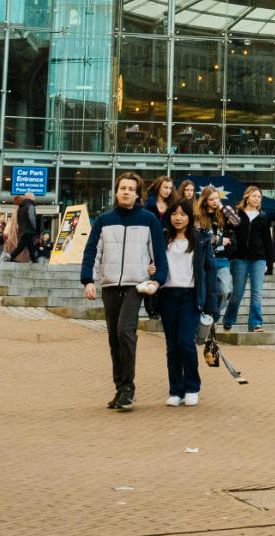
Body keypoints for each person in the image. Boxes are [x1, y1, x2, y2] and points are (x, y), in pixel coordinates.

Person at [80, 173, 169, 411]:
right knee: (113, 338)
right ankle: (120, 388)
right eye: (122, 188)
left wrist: (158, 279)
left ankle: (128, 388)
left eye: (131, 188)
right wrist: (88, 280)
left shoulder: (149, 219)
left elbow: (159, 253)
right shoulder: (104, 220)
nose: (126, 192)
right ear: (116, 192)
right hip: (109, 285)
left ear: (138, 193)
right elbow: (92, 252)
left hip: (135, 285)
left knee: (124, 331)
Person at [154, 205, 209, 408]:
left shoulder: (200, 239)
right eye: (174, 214)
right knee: (172, 345)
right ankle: (175, 390)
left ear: (189, 217)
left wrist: (210, 302)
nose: (178, 218)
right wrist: (151, 268)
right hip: (167, 294)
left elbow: (208, 270)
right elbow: (153, 262)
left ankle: (192, 387)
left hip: (190, 295)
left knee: (186, 342)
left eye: (183, 214)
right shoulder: (162, 238)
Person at [221, 187, 273, 332]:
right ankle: (228, 320)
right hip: (239, 258)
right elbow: (227, 230)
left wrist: (269, 262)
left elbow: (268, 242)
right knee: (237, 293)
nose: (257, 199)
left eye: (259, 197)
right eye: (254, 196)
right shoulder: (237, 214)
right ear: (247, 197)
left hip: (258, 259)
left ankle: (255, 323)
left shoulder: (263, 216)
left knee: (257, 293)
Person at [195, 187, 233, 322]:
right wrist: (220, 240)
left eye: (217, 198)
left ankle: (212, 318)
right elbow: (201, 239)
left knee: (225, 291)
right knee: (208, 292)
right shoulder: (198, 217)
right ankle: (208, 318)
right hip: (206, 259)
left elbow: (237, 222)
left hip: (222, 259)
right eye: (211, 199)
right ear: (205, 201)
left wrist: (224, 209)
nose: (214, 201)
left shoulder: (222, 214)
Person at [6, 195, 39, 263]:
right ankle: (11, 257)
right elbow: (32, 218)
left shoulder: (20, 207)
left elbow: (18, 220)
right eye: (33, 197)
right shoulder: (30, 206)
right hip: (29, 230)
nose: (34, 199)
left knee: (31, 246)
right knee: (21, 247)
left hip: (23, 230)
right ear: (31, 198)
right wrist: (34, 227)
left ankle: (34, 260)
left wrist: (21, 228)